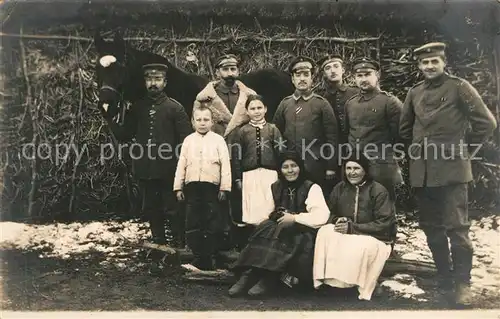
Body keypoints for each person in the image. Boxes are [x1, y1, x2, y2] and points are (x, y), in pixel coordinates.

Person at [399, 42, 497, 306]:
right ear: (419, 66)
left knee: (457, 228)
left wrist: (462, 147)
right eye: (424, 62)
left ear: (444, 62)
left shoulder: (459, 87)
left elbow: (486, 122)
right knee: (431, 228)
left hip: (452, 169)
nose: (429, 66)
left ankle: (462, 285)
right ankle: (444, 280)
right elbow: (405, 129)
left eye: (434, 62)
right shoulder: (414, 92)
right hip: (424, 172)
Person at [104, 63, 192, 246]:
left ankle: (179, 242)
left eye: (158, 80)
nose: (153, 84)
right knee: (152, 207)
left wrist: (180, 168)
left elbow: (186, 142)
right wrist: (109, 118)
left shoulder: (175, 108)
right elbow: (124, 134)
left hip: (170, 170)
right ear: (144, 82)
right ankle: (158, 241)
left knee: (172, 207)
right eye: (150, 79)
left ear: (165, 83)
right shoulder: (137, 108)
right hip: (146, 168)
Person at [228, 152, 330, 297]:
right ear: (280, 170)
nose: (290, 170)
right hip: (280, 226)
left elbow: (321, 216)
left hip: (302, 230)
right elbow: (267, 211)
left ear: (300, 167)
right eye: (285, 167)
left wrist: (294, 218)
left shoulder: (311, 187)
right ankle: (249, 275)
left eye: (294, 166)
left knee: (285, 233)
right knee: (265, 227)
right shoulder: (276, 186)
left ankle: (269, 278)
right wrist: (276, 215)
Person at [313, 153, 396, 301]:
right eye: (348, 168)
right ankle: (329, 282)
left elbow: (384, 223)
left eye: (356, 168)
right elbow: (328, 213)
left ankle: (354, 285)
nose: (352, 172)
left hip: (375, 237)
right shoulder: (340, 188)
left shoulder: (378, 190)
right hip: (347, 232)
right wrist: (338, 220)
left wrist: (353, 228)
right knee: (325, 232)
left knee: (360, 245)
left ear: (365, 170)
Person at [193, 54, 257, 229]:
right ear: (217, 72)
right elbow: (197, 123)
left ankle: (241, 234)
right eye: (225, 69)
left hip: (243, 152)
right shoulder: (204, 98)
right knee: (217, 194)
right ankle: (220, 233)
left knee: (241, 193)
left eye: (233, 69)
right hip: (215, 152)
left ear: (238, 71)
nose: (230, 73)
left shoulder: (250, 96)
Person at [173, 106, 232, 270]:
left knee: (212, 221)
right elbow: (182, 164)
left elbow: (225, 165)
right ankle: (197, 257)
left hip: (211, 187)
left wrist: (224, 188)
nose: (202, 123)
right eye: (198, 120)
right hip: (192, 187)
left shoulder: (218, 140)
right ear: (193, 122)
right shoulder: (188, 140)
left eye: (206, 120)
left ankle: (211, 257)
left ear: (212, 122)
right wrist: (178, 187)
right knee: (193, 220)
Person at [272, 56, 339, 197]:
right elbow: (276, 134)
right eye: (298, 75)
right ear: (292, 79)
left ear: (312, 78)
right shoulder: (285, 104)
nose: (302, 79)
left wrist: (331, 167)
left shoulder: (322, 104)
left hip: (316, 165)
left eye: (306, 74)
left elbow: (332, 137)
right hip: (291, 168)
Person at [344, 57, 404, 203]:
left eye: (367, 74)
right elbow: (348, 132)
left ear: (377, 75)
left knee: (383, 204)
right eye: (359, 75)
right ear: (354, 78)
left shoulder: (389, 102)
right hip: (357, 165)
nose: (363, 79)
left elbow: (399, 134)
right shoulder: (351, 104)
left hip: (381, 164)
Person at [231, 94, 284, 227]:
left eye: (259, 107)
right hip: (250, 176)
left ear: (265, 109)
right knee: (253, 211)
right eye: (253, 108)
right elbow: (236, 156)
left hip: (270, 175)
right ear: (247, 111)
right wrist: (238, 178)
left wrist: (281, 175)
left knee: (269, 208)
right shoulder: (242, 131)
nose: (256, 111)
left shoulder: (273, 129)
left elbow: (281, 153)